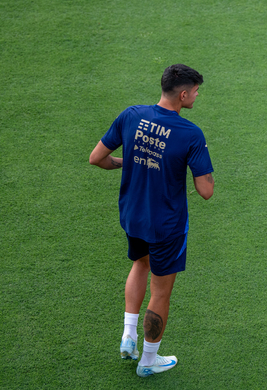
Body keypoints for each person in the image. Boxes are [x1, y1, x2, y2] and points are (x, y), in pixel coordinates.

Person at [89, 64, 214, 376]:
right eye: (196, 91)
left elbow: (97, 158)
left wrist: (128, 161)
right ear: (183, 94)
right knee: (161, 292)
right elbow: (206, 190)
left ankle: (128, 336)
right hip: (166, 225)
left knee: (139, 265)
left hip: (133, 216)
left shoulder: (131, 115)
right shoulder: (190, 134)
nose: (198, 95)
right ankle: (147, 362)